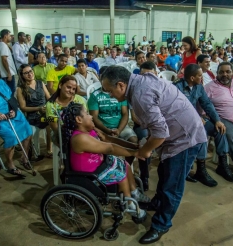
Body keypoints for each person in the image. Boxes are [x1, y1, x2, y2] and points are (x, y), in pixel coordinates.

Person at [101, 66, 208, 244]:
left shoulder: (140, 96)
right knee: (164, 174)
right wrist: (147, 142)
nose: (110, 96)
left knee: (172, 185)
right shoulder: (142, 80)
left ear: (121, 85)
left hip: (185, 139)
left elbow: (160, 133)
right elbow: (157, 123)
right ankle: (158, 203)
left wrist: (144, 150)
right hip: (176, 133)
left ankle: (161, 224)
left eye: (110, 91)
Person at [61, 103, 149, 219]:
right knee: (120, 175)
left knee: (125, 164)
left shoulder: (90, 130)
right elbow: (110, 148)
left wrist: (133, 146)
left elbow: (109, 139)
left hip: (100, 165)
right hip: (89, 175)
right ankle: (130, 205)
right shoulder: (80, 138)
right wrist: (135, 153)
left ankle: (134, 193)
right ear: (79, 119)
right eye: (87, 114)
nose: (91, 116)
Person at [174, 64, 233, 186]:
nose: (202, 78)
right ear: (192, 78)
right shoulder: (177, 88)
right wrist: (195, 118)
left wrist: (217, 120)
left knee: (219, 129)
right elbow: (177, 109)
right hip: (181, 122)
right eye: (200, 76)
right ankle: (201, 169)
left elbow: (207, 104)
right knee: (200, 132)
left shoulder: (199, 87)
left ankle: (222, 164)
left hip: (197, 120)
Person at [88, 81, 138, 165]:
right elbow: (94, 117)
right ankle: (110, 166)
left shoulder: (119, 93)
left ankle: (126, 165)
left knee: (133, 141)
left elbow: (125, 114)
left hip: (121, 126)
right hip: (103, 127)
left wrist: (119, 130)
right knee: (105, 144)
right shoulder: (95, 95)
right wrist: (107, 131)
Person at [17, 64, 52, 157]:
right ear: (22, 75)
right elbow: (23, 107)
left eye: (30, 71)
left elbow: (49, 98)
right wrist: (38, 108)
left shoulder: (40, 83)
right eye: (26, 73)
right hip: (33, 115)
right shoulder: (21, 89)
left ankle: (49, 149)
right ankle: (42, 152)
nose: (29, 74)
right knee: (49, 123)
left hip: (45, 113)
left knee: (53, 123)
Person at [46, 75, 87, 144]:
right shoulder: (51, 104)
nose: (71, 91)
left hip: (81, 131)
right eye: (68, 87)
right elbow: (55, 127)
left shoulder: (80, 100)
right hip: (61, 134)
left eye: (73, 89)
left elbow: (86, 118)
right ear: (60, 85)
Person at [0, 29, 17, 94]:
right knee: (11, 91)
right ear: (5, 36)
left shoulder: (2, 44)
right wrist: (9, 73)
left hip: (7, 73)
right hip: (7, 73)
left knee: (9, 91)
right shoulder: (3, 45)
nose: (11, 37)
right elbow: (4, 60)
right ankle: (10, 104)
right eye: (9, 36)